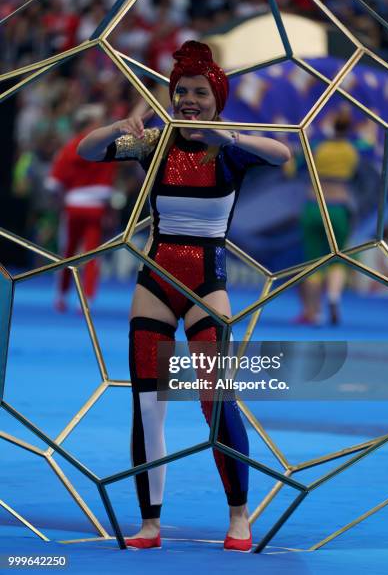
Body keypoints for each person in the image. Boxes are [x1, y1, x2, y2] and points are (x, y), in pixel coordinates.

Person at [77, 41, 291, 551]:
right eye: (181, 92)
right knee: (147, 405)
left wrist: (227, 134)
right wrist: (117, 129)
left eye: (199, 92)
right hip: (155, 282)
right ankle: (150, 522)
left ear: (218, 98)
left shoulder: (231, 149)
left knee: (215, 402)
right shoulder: (153, 143)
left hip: (206, 285)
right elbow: (86, 150)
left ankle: (239, 516)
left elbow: (283, 155)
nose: (188, 99)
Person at [45, 105, 118, 311]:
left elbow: (54, 183)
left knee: (68, 253)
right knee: (91, 255)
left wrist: (62, 202)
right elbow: (108, 184)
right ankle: (86, 299)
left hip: (74, 206)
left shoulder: (70, 147)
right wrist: (110, 209)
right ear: (90, 123)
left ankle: (61, 295)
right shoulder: (104, 146)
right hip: (94, 208)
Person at [297, 109, 359, 325]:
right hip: (339, 209)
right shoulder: (353, 150)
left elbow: (297, 167)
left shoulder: (317, 147)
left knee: (313, 261)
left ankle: (314, 312)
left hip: (314, 206)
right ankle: (333, 296)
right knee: (338, 257)